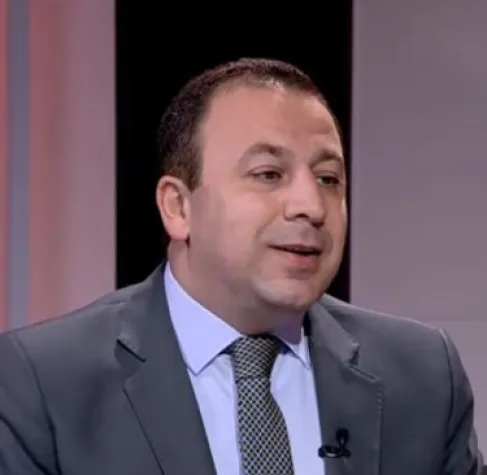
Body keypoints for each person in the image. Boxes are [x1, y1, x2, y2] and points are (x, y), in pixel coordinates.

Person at [0, 58, 482, 475]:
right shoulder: (43, 385)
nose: (311, 206)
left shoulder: (422, 376)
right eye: (268, 174)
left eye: (328, 178)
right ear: (178, 207)